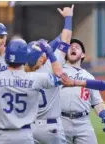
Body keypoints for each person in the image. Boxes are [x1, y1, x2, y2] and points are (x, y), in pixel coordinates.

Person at [0, 38, 69, 144]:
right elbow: (62, 77)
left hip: (1, 136)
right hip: (25, 135)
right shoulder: (35, 78)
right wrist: (49, 52)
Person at [26, 5, 74, 144]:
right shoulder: (50, 67)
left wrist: (47, 47)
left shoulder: (20, 73)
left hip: (28, 127)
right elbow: (65, 40)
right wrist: (68, 18)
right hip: (50, 128)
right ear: (42, 58)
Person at [60, 38, 105, 144]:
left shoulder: (89, 77)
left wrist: (104, 115)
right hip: (61, 121)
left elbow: (97, 102)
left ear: (83, 55)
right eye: (70, 47)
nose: (73, 47)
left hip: (83, 123)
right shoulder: (58, 71)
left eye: (77, 47)